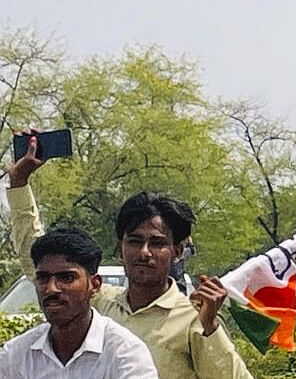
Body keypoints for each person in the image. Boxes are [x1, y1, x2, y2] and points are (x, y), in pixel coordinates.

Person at [8, 133, 251, 378]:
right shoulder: (98, 302)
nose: (144, 253)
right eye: (135, 241)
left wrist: (209, 327)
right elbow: (41, 257)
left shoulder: (192, 318)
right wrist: (19, 183)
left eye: (157, 243)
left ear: (176, 251)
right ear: (120, 247)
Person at [0, 227, 157, 378]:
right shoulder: (17, 355)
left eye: (66, 278)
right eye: (43, 278)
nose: (51, 289)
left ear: (94, 285)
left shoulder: (125, 355)